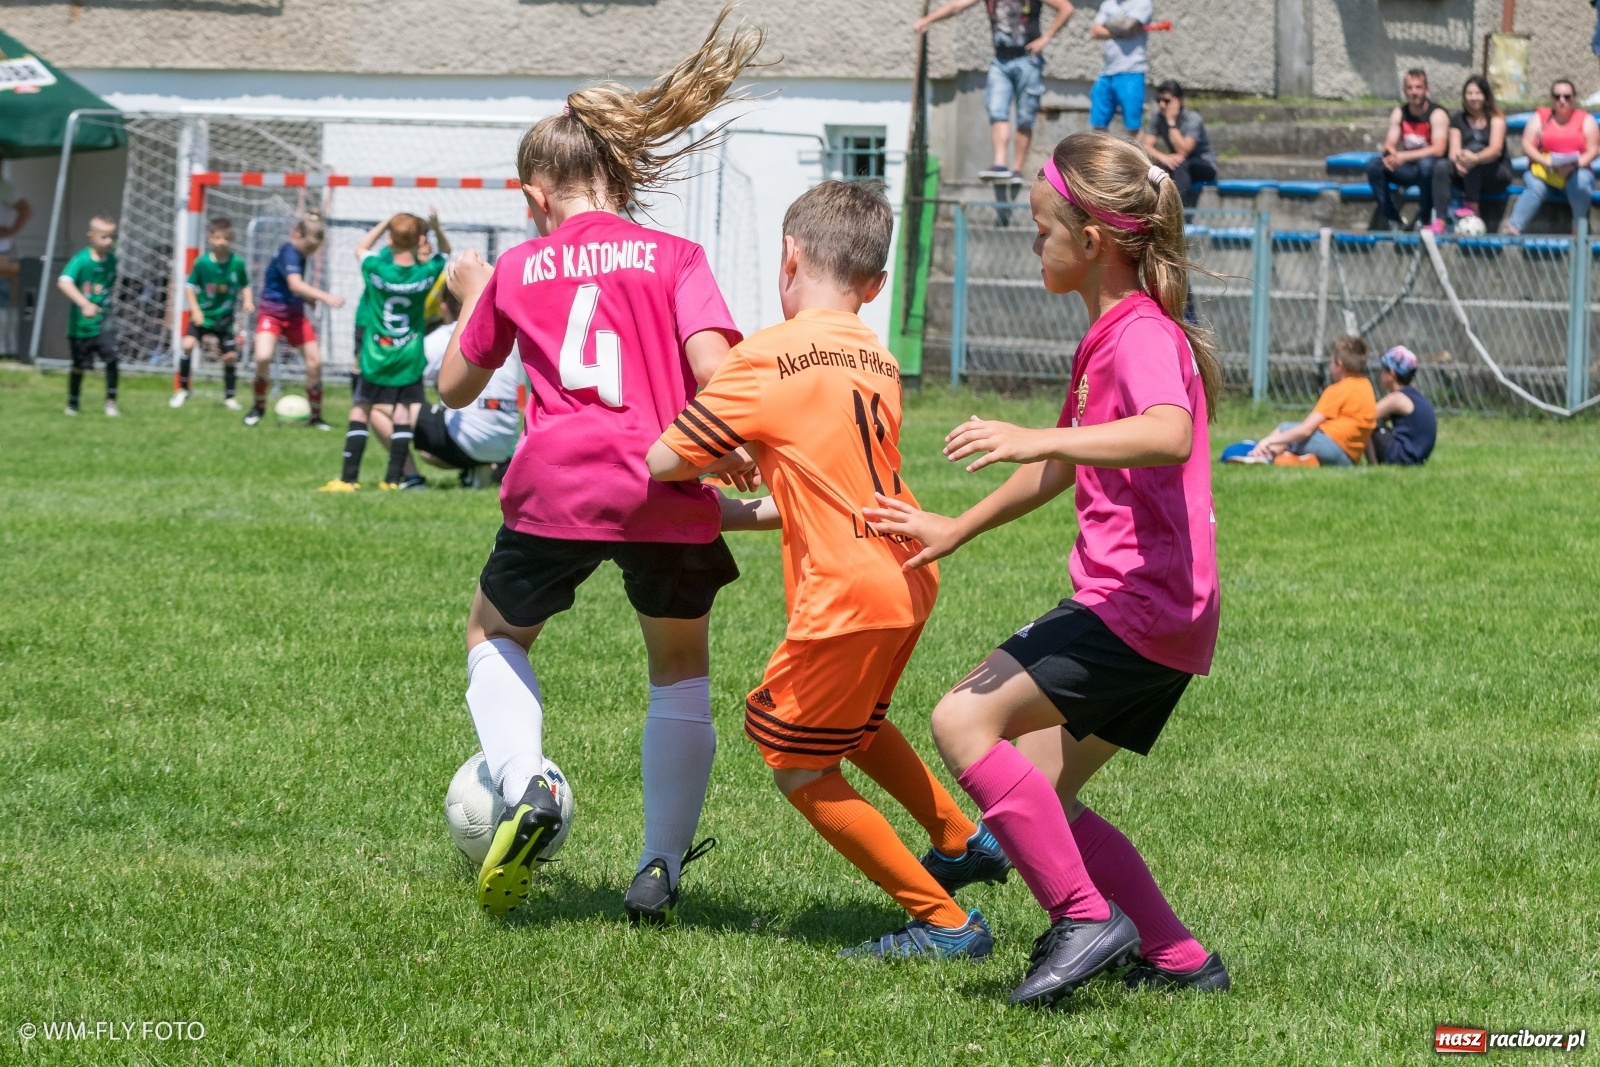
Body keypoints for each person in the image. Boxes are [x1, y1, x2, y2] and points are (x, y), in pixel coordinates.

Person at [862, 131, 1228, 1005]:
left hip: (1136, 603)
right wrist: (958, 526)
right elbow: (1058, 471)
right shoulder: (1115, 331)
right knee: (1038, 798)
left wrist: (1039, 432)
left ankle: (1081, 918)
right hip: (1172, 616)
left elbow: (1168, 431)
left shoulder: (1136, 331)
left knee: (960, 721)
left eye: (1040, 231)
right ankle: (1179, 958)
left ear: (1092, 240)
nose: (1033, 246)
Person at [436, 5, 761, 925]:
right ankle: (658, 867)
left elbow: (459, 387)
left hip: (555, 485)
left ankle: (527, 779)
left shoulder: (520, 265)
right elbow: (719, 375)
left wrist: (472, 293)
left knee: (494, 634)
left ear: (539, 191)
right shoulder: (676, 256)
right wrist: (734, 449)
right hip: (663, 480)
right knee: (679, 670)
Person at [648, 180, 1007, 961]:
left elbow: (664, 457)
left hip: (845, 591)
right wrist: (746, 490)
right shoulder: (876, 356)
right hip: (907, 572)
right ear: (875, 286)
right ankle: (960, 837)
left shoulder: (765, 356)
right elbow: (817, 486)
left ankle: (945, 923)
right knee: (858, 726)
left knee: (796, 763)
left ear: (789, 259)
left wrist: (725, 451)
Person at [319, 210, 448, 492]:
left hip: (376, 355)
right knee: (401, 414)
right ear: (420, 241)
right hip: (409, 355)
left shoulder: (377, 269)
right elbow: (446, 252)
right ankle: (392, 480)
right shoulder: (425, 273)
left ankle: (348, 479)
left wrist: (383, 223)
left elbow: (361, 248)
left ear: (389, 239)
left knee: (361, 410)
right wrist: (437, 228)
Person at [365, 289, 525, 490]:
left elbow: (404, 375)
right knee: (430, 445)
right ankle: (479, 467)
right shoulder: (507, 335)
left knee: (377, 408)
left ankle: (412, 478)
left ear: (443, 308)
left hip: (467, 438)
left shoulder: (447, 334)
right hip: (504, 443)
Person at [913, 0, 1076, 181]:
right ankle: (1000, 164)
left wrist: (1045, 38)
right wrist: (928, 19)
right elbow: (956, 6)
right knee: (997, 109)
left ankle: (1017, 170)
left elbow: (1066, 9)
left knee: (1025, 115)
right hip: (1000, 61)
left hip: (1028, 59)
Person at [243, 215, 344, 429]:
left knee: (315, 362)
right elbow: (295, 284)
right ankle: (258, 407)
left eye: (314, 249)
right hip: (272, 314)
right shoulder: (289, 252)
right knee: (263, 357)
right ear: (296, 235)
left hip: (295, 315)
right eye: (308, 247)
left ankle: (316, 417)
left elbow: (291, 287)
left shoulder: (300, 253)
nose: (310, 252)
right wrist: (324, 297)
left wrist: (307, 298)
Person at [1247, 335, 1376, 467]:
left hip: (1331, 447)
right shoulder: (1367, 387)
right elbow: (1367, 429)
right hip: (1348, 460)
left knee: (1285, 428)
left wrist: (1269, 440)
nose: (1330, 366)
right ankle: (1299, 460)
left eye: (1331, 362)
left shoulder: (1338, 390)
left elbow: (1306, 430)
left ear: (1339, 365)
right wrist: (1373, 462)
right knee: (1296, 441)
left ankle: (1262, 455)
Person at [173, 217, 253, 410]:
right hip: (203, 315)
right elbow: (189, 287)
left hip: (224, 318)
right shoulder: (202, 263)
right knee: (188, 344)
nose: (221, 242)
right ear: (210, 239)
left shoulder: (237, 263)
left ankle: (230, 397)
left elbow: (245, 285)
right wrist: (196, 310)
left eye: (225, 238)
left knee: (230, 357)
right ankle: (183, 389)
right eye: (217, 238)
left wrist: (248, 301)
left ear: (231, 239)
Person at [1504, 79, 1600, 236]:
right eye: (1557, 96)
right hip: (1544, 171)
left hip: (1575, 171)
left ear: (1574, 98)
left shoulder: (1585, 119)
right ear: (1552, 98)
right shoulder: (1541, 116)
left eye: (1567, 97)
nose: (1562, 100)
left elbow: (1592, 150)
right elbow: (1527, 144)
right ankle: (1514, 228)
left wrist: (1573, 166)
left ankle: (1578, 228)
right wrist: (1545, 161)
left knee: (1582, 182)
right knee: (1535, 188)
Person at [1366, 69, 1449, 230]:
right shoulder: (1400, 112)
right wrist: (1390, 154)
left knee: (1426, 165)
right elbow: (1390, 142)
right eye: (1409, 88)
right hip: (1408, 169)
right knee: (1374, 166)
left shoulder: (1437, 114)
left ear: (1427, 89)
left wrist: (1403, 156)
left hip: (1431, 170)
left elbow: (1439, 150)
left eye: (1418, 87)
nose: (1414, 92)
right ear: (1404, 91)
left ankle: (1424, 218)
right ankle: (1393, 219)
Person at [57, 215, 120, 417]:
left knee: (112, 357)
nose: (109, 241)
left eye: (112, 237)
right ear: (91, 236)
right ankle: (73, 403)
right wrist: (84, 304)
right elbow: (64, 282)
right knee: (79, 366)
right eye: (104, 237)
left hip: (104, 320)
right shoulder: (81, 260)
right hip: (81, 324)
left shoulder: (113, 260)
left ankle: (111, 402)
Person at [1430, 75, 1511, 231]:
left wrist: (1475, 158)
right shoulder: (1457, 120)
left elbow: (1495, 150)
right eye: (1469, 93)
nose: (1473, 97)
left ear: (1486, 96)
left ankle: (1472, 206)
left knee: (1474, 150)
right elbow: (1453, 153)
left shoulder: (1496, 118)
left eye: (1478, 93)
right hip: (1466, 171)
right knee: (1442, 166)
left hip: (1495, 173)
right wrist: (1458, 163)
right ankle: (1440, 221)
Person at [1141, 80, 1217, 207]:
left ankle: (1179, 208)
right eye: (1159, 100)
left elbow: (1184, 151)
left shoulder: (1193, 119)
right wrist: (1164, 157)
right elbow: (1145, 146)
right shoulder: (1158, 116)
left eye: (1166, 101)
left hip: (1204, 164)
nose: (1161, 105)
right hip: (1178, 162)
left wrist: (1171, 122)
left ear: (1179, 101)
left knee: (1181, 163)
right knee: (1153, 167)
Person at [1089, 0, 1153, 137]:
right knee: (1098, 126)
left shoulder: (1142, 2)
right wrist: (1120, 31)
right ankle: (1101, 158)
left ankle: (1137, 158)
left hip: (1131, 71)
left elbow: (1127, 28)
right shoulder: (1108, 3)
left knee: (1133, 128)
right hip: (1106, 72)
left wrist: (1106, 24)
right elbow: (1094, 31)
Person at [1367, 345, 1436, 466]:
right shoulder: (1414, 397)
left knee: (1365, 423)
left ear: (1391, 374)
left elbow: (1366, 416)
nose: (1380, 374)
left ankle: (1373, 465)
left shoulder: (1397, 399)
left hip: (1402, 455)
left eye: (1382, 369)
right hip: (1417, 456)